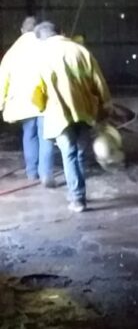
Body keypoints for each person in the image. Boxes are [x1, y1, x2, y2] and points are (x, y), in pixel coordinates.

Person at [32, 22, 112, 213]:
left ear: (41, 39)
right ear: (61, 32)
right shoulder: (81, 51)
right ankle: (79, 193)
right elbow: (99, 83)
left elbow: (37, 93)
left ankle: (77, 198)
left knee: (69, 155)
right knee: (80, 154)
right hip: (84, 112)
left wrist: (41, 107)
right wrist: (105, 106)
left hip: (59, 115)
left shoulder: (41, 57)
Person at [0, 15, 56, 185]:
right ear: (38, 28)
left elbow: (3, 79)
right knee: (45, 135)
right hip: (44, 99)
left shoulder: (12, 52)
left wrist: (1, 102)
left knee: (29, 134)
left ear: (21, 30)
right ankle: (45, 173)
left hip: (22, 103)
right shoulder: (46, 46)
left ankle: (32, 172)